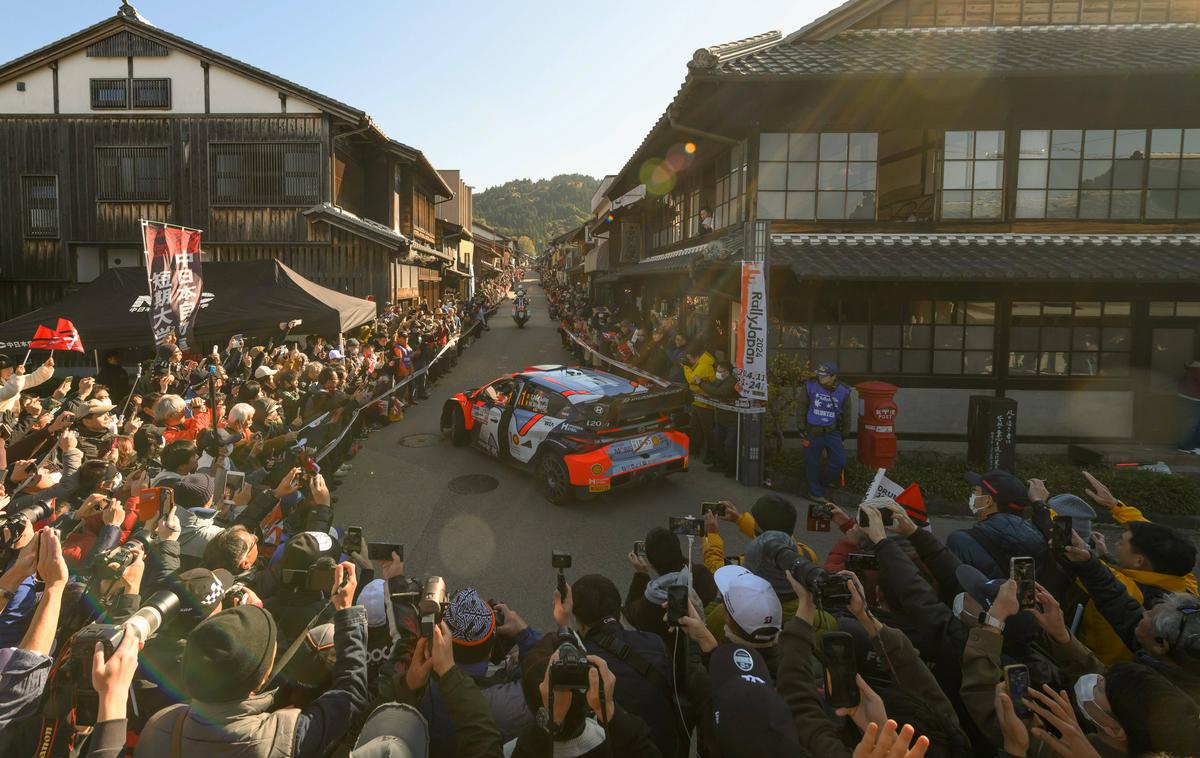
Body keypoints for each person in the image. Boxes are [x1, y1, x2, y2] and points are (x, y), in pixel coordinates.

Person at [135, 563, 369, 757]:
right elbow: (350, 697)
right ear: (261, 681)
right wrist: (345, 611)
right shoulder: (280, 739)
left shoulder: (160, 725)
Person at [946, 469, 1046, 580]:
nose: (972, 496)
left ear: (988, 501)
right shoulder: (1040, 536)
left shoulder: (960, 541)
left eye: (975, 491)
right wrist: (1039, 504)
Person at [796, 362, 851, 502]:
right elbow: (801, 406)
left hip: (832, 432)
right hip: (813, 431)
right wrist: (801, 427)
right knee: (812, 463)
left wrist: (845, 433)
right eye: (819, 374)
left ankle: (825, 481)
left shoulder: (843, 391)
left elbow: (847, 413)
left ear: (833, 377)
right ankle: (815, 492)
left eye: (824, 375)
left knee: (839, 461)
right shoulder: (810, 386)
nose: (820, 377)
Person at [697, 360, 738, 477]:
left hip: (732, 420)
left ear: (727, 372)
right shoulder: (720, 380)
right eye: (717, 371)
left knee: (730, 445)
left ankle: (731, 469)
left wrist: (701, 383)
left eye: (720, 371)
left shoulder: (731, 382)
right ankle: (719, 464)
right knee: (717, 441)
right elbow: (712, 388)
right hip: (720, 419)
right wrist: (705, 387)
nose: (718, 373)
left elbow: (719, 392)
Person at [1177, 359, 1200, 454]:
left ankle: (1188, 446)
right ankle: (1187, 446)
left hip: (1187, 398)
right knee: (1194, 424)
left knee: (1190, 423)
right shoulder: (1197, 372)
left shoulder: (1190, 372)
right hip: (1193, 399)